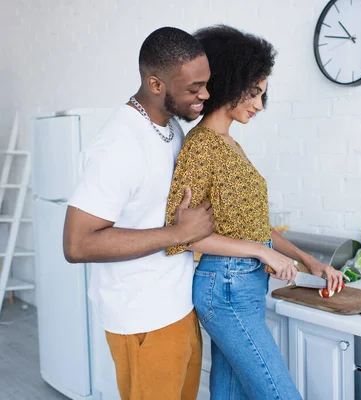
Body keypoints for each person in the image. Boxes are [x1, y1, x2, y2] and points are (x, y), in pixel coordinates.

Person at [163, 25, 347, 400]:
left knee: (229, 395)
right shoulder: (201, 147)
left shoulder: (229, 144)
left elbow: (257, 227)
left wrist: (311, 263)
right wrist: (263, 252)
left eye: (262, 95)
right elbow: (182, 232)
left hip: (242, 287)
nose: (259, 105)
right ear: (229, 82)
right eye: (253, 93)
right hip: (225, 290)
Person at [63, 27, 214, 400]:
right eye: (193, 88)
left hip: (178, 307)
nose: (204, 95)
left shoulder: (171, 128)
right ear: (155, 83)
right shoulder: (118, 145)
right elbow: (77, 244)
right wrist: (177, 234)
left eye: (206, 84)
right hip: (142, 318)